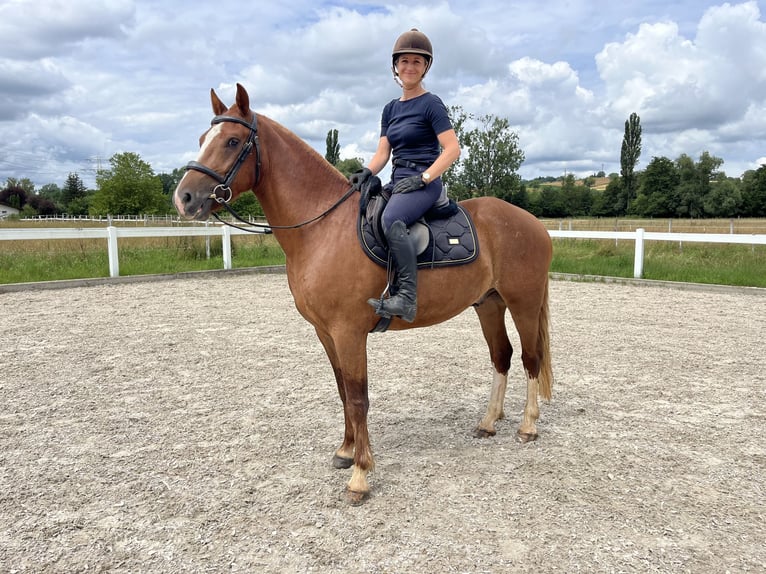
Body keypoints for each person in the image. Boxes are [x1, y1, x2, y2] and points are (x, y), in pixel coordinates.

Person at [350, 28, 461, 323]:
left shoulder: (431, 104)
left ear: (425, 67)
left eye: (416, 62)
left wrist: (425, 178)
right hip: (398, 181)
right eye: (404, 61)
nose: (409, 67)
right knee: (366, 212)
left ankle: (407, 298)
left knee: (390, 220)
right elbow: (383, 153)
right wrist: (366, 171)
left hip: (424, 183)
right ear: (395, 67)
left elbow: (452, 149)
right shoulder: (389, 109)